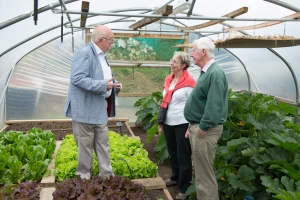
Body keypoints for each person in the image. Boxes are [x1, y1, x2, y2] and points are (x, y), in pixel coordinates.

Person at [63, 25, 122, 180]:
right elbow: (77, 79)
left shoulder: (102, 56)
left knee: (103, 146)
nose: (112, 43)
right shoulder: (85, 53)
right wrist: (103, 85)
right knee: (85, 149)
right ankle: (83, 180)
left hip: (99, 110)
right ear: (101, 40)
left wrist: (114, 86)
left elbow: (101, 77)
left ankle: (107, 179)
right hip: (84, 111)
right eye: (111, 40)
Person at [184, 37, 228, 200]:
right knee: (201, 174)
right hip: (198, 128)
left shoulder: (215, 73)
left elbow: (214, 106)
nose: (191, 54)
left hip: (206, 131)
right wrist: (192, 126)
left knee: (204, 177)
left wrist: (202, 127)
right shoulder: (207, 72)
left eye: (193, 50)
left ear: (203, 52)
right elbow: (203, 102)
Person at [158, 51, 196, 200]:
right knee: (172, 153)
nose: (171, 63)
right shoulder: (169, 79)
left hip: (182, 123)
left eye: (175, 62)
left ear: (183, 65)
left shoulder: (190, 82)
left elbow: (194, 105)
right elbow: (164, 103)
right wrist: (161, 122)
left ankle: (185, 188)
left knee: (183, 156)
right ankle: (175, 177)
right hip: (168, 123)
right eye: (171, 60)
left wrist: (190, 125)